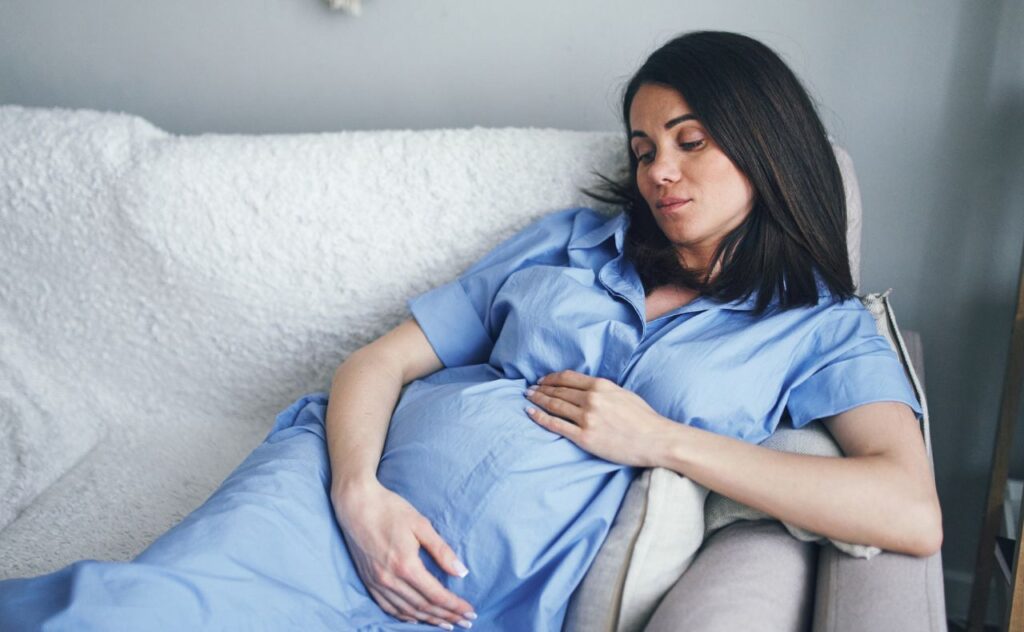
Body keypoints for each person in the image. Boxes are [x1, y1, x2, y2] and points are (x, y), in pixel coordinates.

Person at [0, 30, 941, 631]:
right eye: (644, 147)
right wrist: (360, 495)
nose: (659, 171)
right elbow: (379, 362)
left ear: (766, 143)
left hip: (475, 597)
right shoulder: (573, 243)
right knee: (120, 617)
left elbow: (908, 509)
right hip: (330, 503)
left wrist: (659, 440)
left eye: (691, 141)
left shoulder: (821, 329)